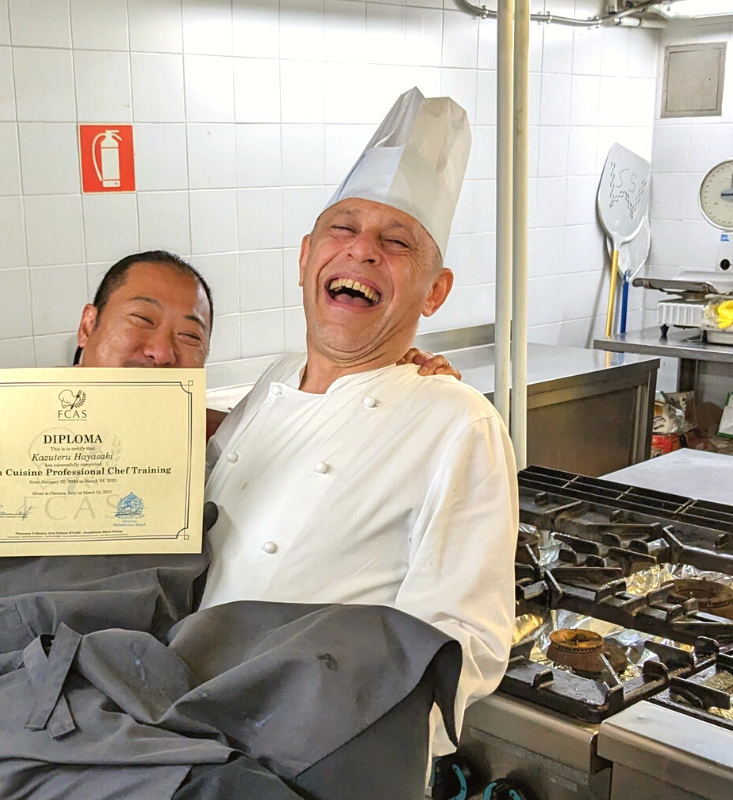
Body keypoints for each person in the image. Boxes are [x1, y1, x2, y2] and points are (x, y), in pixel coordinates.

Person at [0, 251, 455, 624]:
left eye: (189, 336)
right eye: (141, 321)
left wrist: (405, 384)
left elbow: (324, 434)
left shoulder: (218, 445)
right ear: (87, 325)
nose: (162, 352)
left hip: (145, 720)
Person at [199, 87, 519, 751]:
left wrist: (327, 747)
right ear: (305, 259)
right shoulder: (274, 381)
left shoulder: (456, 421)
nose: (362, 250)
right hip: (188, 735)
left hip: (320, 763)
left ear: (435, 291)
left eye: (396, 241)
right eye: (342, 229)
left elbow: (469, 644)